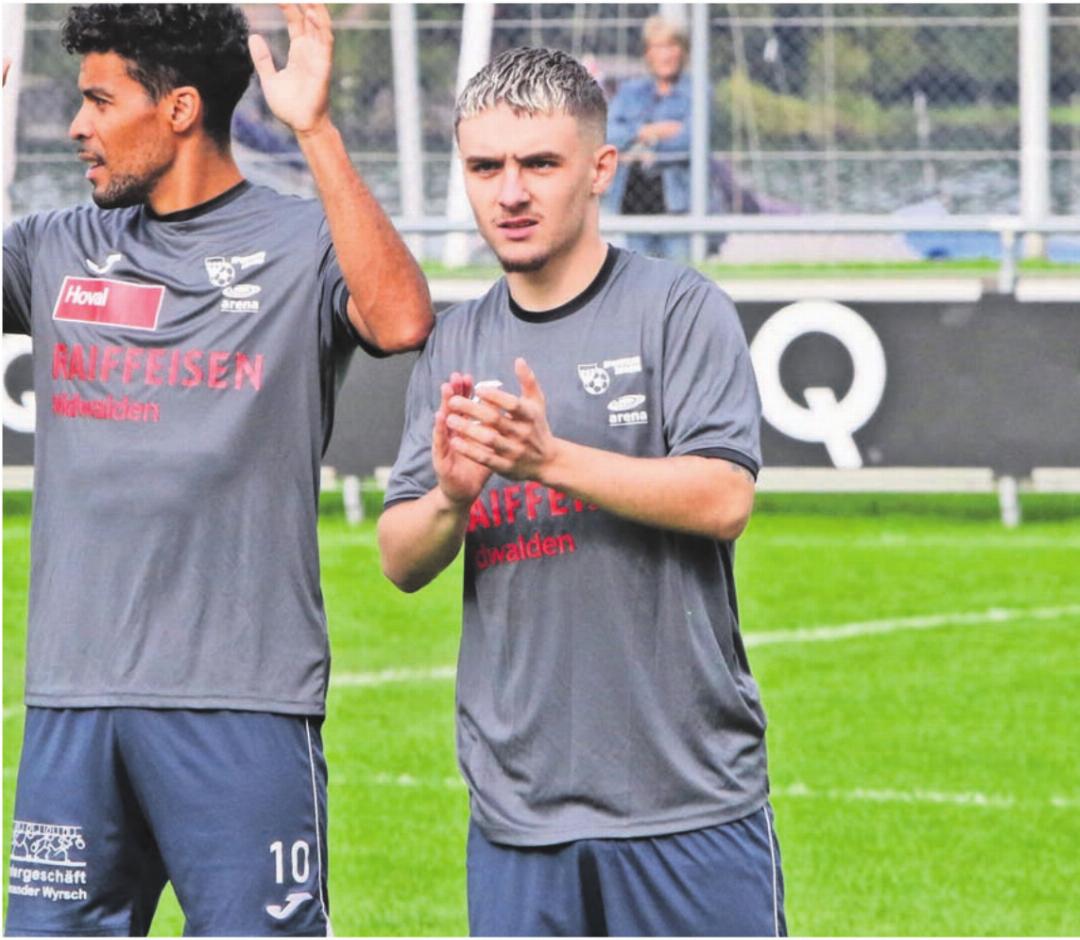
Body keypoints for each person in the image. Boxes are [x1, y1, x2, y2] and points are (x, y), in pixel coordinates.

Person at [2, 4, 431, 936]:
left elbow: (401, 320)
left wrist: (315, 130)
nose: (75, 126)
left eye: (99, 101)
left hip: (241, 703)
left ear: (180, 108)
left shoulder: (300, 241)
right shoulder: (53, 248)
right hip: (75, 703)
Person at [378, 46, 785, 937]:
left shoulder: (679, 309)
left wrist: (550, 459)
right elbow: (401, 559)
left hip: (686, 803)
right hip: (519, 815)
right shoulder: (456, 343)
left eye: (539, 164)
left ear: (600, 170)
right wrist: (450, 498)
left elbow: (724, 498)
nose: (509, 193)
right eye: (485, 167)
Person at [606, 16, 692, 261]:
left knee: (679, 272)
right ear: (648, 53)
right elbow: (608, 134)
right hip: (633, 198)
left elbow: (689, 141)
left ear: (682, 51)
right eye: (658, 47)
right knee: (639, 272)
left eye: (671, 46)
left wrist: (638, 147)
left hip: (678, 201)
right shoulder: (630, 92)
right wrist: (649, 132)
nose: (665, 55)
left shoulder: (695, 92)